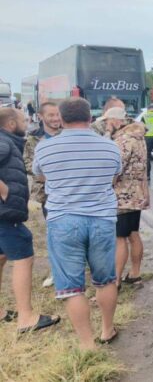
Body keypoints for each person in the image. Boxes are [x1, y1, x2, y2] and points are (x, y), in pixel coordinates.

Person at [33, 98, 122, 348]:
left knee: (71, 287)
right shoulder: (110, 147)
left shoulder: (45, 147)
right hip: (102, 219)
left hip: (63, 220)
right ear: (90, 118)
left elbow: (40, 175)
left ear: (61, 119)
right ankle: (107, 330)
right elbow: (115, 176)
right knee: (105, 280)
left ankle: (86, 343)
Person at [0, 108, 60, 333]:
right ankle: (26, 318)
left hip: (4, 215)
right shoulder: (4, 142)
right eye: (23, 120)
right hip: (6, 215)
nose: (27, 124)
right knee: (23, 259)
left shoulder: (8, 142)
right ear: (10, 124)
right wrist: (5, 192)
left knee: (1, 257)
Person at [104, 107, 150, 289]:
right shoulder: (139, 137)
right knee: (133, 233)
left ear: (116, 121)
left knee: (119, 238)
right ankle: (135, 274)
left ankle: (115, 281)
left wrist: (107, 185)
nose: (106, 126)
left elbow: (115, 168)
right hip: (137, 195)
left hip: (122, 196)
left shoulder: (123, 140)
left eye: (107, 122)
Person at [23, 102, 62, 287]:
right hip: (47, 195)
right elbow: (28, 163)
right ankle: (56, 271)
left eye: (58, 114)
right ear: (40, 116)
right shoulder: (33, 138)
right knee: (54, 234)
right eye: (51, 115)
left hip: (69, 192)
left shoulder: (67, 134)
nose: (56, 118)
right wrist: (50, 175)